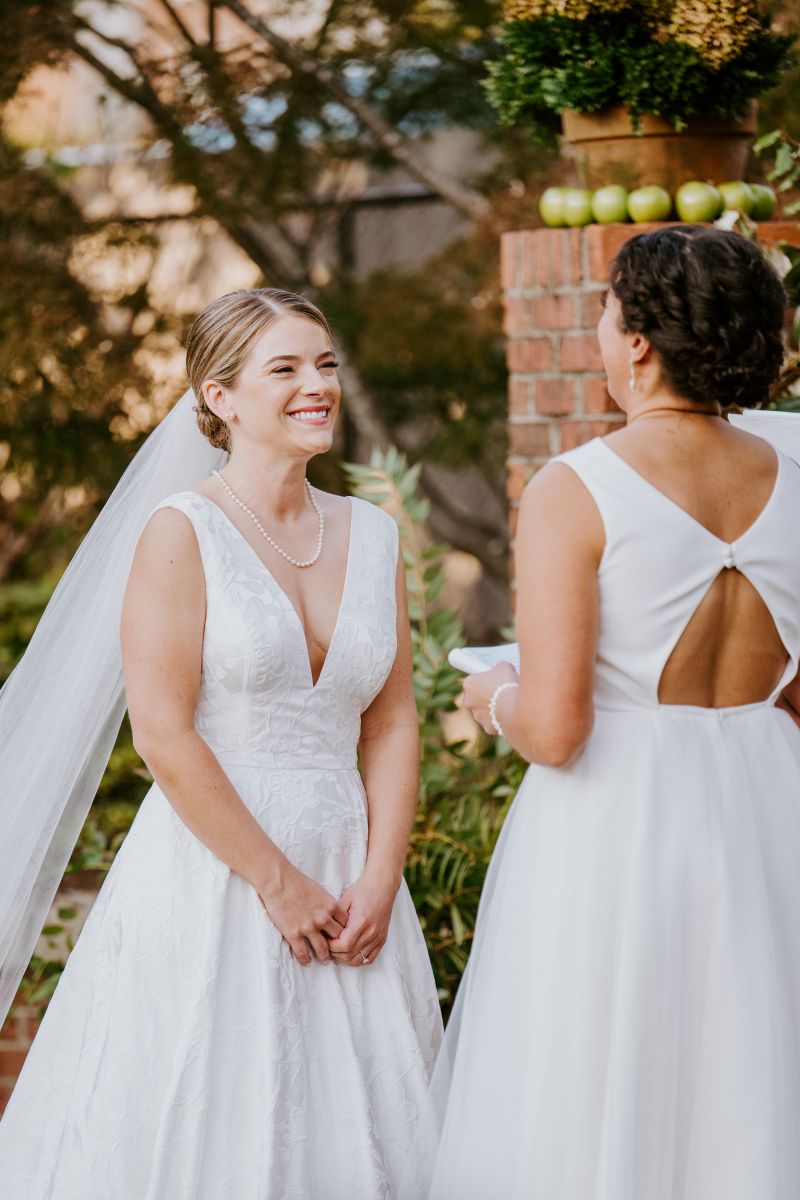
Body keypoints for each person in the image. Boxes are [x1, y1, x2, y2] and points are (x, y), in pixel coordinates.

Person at [0, 287, 442, 1198]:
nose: (316, 385)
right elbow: (162, 733)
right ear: (219, 396)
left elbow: (391, 719)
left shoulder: (375, 534)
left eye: (323, 363)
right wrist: (278, 885)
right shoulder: (182, 532)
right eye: (283, 368)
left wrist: (383, 874)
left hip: (352, 872)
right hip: (221, 871)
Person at [404, 227, 800, 1199]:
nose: (598, 326)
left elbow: (555, 727)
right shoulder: (794, 474)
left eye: (605, 308)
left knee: (594, 1070)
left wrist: (488, 693)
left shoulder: (576, 487)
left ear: (634, 341)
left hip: (615, 823)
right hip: (761, 799)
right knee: (749, 1064)